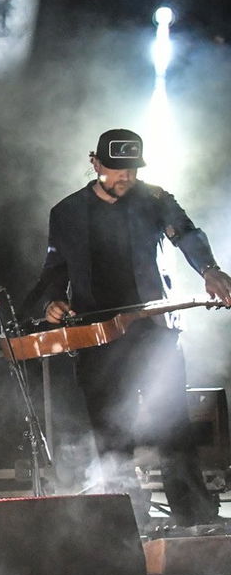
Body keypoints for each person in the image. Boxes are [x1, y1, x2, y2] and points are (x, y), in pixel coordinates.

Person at [28, 128, 231, 527]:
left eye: (132, 169)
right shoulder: (66, 212)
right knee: (108, 429)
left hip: (154, 330)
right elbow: (54, 269)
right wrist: (52, 301)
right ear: (95, 163)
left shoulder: (155, 199)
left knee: (171, 422)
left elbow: (187, 234)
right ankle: (124, 516)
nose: (126, 176)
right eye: (116, 169)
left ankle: (194, 515)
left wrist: (209, 269)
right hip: (98, 335)